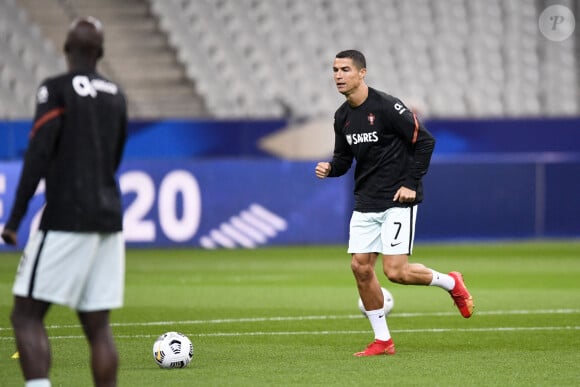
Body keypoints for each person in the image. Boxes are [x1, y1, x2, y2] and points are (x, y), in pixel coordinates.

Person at [315, 50, 473, 357]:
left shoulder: (387, 106)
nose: (338, 75)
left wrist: (411, 183)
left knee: (396, 272)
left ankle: (451, 282)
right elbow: (344, 159)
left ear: (362, 73)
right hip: (365, 200)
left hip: (398, 199)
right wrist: (331, 168)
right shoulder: (342, 116)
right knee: (360, 268)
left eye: (345, 69)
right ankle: (383, 341)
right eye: (335, 69)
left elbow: (425, 141)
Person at [1, 16, 127, 386]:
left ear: (66, 49)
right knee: (98, 326)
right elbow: (115, 155)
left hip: (66, 216)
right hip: (109, 217)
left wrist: (14, 220)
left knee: (25, 314)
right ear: (100, 53)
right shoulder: (116, 94)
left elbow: (38, 154)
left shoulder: (55, 90)